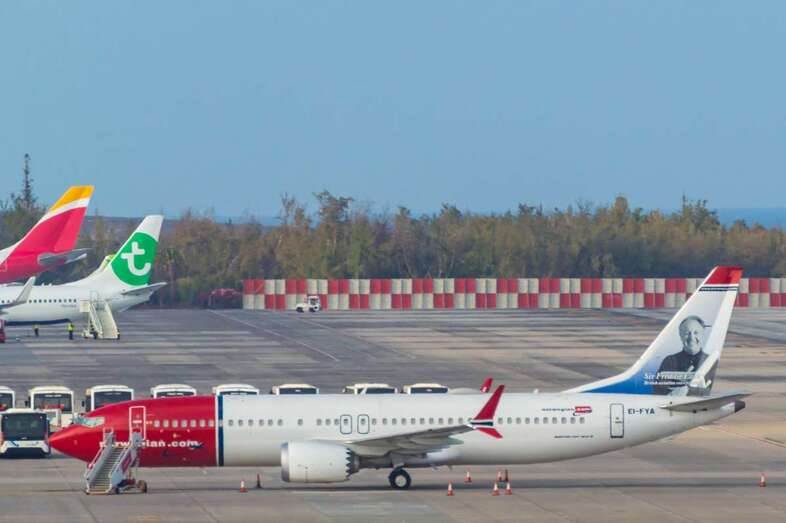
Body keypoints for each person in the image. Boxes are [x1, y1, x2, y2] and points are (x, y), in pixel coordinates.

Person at [652, 315, 709, 395]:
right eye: (687, 333)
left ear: (703, 334)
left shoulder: (709, 361)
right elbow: (658, 390)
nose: (691, 337)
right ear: (680, 335)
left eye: (696, 333)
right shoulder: (670, 361)